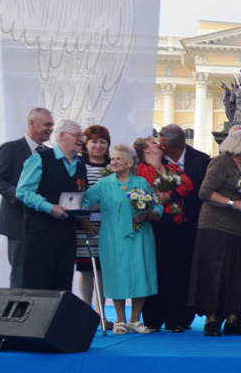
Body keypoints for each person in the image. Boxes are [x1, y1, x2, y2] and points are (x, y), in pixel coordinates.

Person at [83, 143, 161, 334]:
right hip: (113, 238)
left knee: (141, 275)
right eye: (112, 159)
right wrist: (85, 223)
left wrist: (147, 215)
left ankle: (135, 320)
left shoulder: (141, 182)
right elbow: (83, 201)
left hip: (140, 236)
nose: (114, 162)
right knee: (116, 275)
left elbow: (158, 207)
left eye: (118, 158)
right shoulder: (104, 184)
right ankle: (120, 320)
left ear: (130, 162)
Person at [187, 129, 241, 337]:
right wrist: (232, 203)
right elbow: (204, 192)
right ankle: (211, 320)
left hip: (235, 228)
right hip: (214, 226)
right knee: (214, 272)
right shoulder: (221, 162)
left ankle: (232, 319)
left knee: (233, 275)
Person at [15, 118, 88, 292]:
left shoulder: (80, 164)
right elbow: (23, 191)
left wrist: (83, 207)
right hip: (41, 229)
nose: (81, 140)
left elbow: (80, 192)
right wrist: (49, 208)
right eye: (77, 135)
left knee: (63, 281)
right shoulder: (40, 159)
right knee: (38, 280)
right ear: (62, 135)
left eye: (82, 136)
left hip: (67, 230)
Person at [134, 136, 195, 332]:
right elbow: (144, 189)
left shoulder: (171, 168)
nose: (158, 144)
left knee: (176, 272)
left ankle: (176, 319)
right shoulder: (141, 169)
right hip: (155, 224)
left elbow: (187, 185)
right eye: (153, 143)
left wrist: (170, 195)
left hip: (177, 224)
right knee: (155, 270)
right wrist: (162, 194)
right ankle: (153, 319)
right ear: (145, 150)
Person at [0, 107, 54, 288]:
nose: (50, 129)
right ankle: (17, 305)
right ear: (32, 123)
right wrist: (22, 196)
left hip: (43, 223)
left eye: (52, 125)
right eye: (47, 125)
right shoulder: (10, 149)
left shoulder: (50, 154)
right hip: (18, 221)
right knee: (20, 273)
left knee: (42, 273)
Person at [158, 124, 211, 330]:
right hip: (163, 226)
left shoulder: (200, 160)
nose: (160, 148)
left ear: (176, 146)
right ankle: (162, 315)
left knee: (186, 272)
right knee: (165, 271)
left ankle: (184, 317)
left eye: (163, 145)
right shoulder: (158, 160)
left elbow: (202, 193)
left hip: (191, 226)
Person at [74, 125, 110, 318]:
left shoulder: (113, 166)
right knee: (86, 269)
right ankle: (85, 312)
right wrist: (83, 220)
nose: (98, 145)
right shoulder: (78, 164)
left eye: (102, 142)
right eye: (94, 141)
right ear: (86, 144)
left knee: (102, 269)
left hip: (108, 225)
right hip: (84, 224)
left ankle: (100, 313)